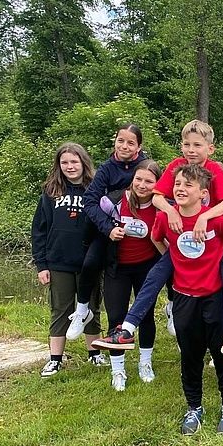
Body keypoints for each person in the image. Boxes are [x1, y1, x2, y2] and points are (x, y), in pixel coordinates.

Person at [92, 120, 223, 363]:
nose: (191, 150)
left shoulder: (214, 170)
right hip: (182, 238)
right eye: (186, 145)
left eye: (197, 145)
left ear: (210, 149)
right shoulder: (176, 166)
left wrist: (205, 216)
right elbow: (158, 196)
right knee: (154, 276)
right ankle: (127, 329)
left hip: (213, 235)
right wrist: (170, 212)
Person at [150, 163, 223, 435]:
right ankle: (194, 407)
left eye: (188, 185)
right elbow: (156, 238)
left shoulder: (214, 219)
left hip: (215, 297)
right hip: (184, 298)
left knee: (221, 356)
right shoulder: (166, 217)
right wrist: (176, 259)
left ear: (204, 193)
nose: (180, 189)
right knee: (190, 357)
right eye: (177, 185)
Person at [31, 142, 106, 377]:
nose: (70, 166)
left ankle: (95, 353)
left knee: (91, 308)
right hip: (58, 261)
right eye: (64, 162)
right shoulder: (51, 191)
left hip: (89, 262)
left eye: (74, 162)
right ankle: (55, 358)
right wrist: (41, 265)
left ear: (83, 162)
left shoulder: (95, 190)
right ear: (58, 165)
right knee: (60, 310)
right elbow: (39, 229)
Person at [68, 124, 149, 340]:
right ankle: (83, 309)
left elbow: (159, 191)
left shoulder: (145, 167)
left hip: (140, 230)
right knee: (90, 262)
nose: (124, 146)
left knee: (165, 262)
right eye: (120, 140)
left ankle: (171, 307)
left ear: (139, 147)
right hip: (109, 228)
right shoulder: (106, 168)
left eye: (130, 142)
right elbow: (90, 200)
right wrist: (108, 228)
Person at [99, 159, 163, 392]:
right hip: (117, 267)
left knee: (145, 316)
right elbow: (95, 220)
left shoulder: (160, 206)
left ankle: (145, 363)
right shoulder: (114, 200)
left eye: (149, 181)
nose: (142, 185)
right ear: (132, 179)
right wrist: (108, 230)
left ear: (157, 184)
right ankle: (118, 369)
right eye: (138, 179)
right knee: (116, 317)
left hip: (146, 267)